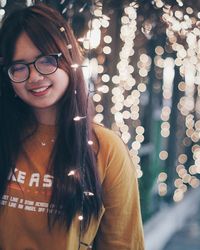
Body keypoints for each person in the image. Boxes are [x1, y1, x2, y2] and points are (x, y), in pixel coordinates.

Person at [0, 3, 144, 250]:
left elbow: (122, 244)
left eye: (46, 61)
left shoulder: (104, 148)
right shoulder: (4, 136)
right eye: (20, 66)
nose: (34, 76)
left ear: (68, 59)